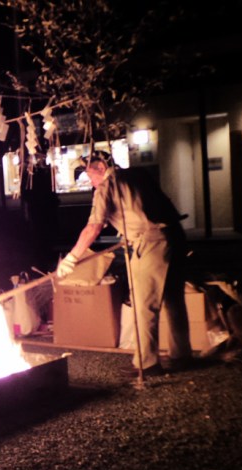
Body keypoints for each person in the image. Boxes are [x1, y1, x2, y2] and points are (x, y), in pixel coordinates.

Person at [57, 153, 192, 376]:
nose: (90, 181)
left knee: (145, 304)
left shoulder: (106, 187)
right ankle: (182, 355)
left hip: (149, 243)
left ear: (100, 167)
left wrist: (72, 258)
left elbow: (93, 227)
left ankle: (146, 363)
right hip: (174, 236)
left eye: (89, 174)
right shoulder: (138, 174)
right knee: (173, 299)